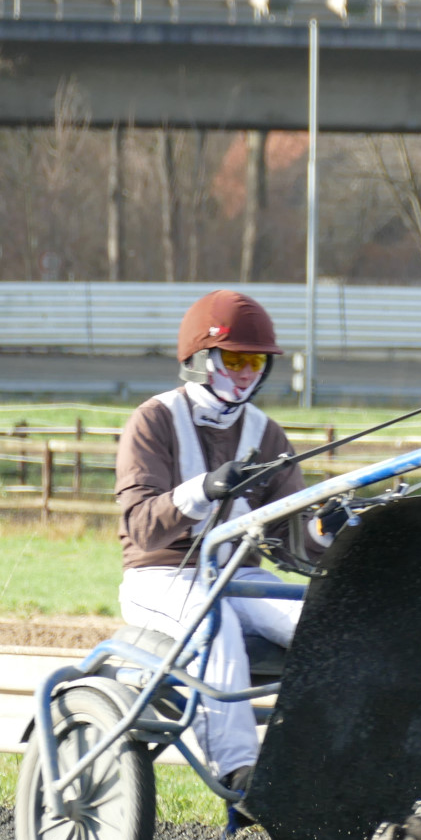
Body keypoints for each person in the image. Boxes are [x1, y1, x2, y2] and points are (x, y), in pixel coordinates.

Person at [113, 289, 323, 793]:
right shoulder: (153, 420)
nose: (247, 372)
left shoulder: (267, 434)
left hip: (239, 577)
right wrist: (204, 489)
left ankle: (320, 760)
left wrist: (327, 529)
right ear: (201, 359)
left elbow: (291, 541)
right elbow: (141, 525)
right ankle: (238, 770)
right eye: (235, 359)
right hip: (161, 577)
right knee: (217, 623)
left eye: (256, 361)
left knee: (323, 623)